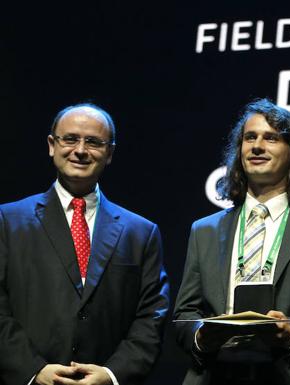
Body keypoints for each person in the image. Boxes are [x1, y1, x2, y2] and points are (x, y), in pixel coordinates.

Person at [174, 98, 290, 385]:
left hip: (285, 374)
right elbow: (184, 313)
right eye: (250, 138)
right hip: (214, 373)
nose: (257, 146)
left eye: (271, 138)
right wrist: (202, 334)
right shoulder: (204, 230)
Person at [0, 103, 170, 385]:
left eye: (93, 142)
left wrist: (112, 373)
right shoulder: (7, 221)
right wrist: (33, 370)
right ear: (52, 145)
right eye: (70, 139)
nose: (80, 150)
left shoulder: (141, 232)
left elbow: (152, 316)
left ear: (110, 153)